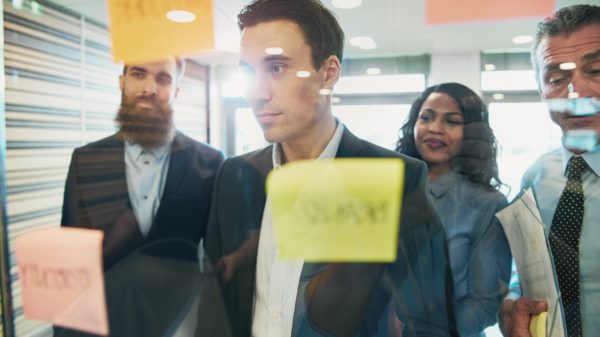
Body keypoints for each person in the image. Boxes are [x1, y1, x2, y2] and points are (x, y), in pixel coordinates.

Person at [196, 1, 458, 336]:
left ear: (329, 72)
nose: (257, 94)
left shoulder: (393, 178)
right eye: (250, 72)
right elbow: (215, 308)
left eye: (276, 68)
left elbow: (430, 324)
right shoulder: (235, 176)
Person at [61, 57, 224, 270]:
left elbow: (218, 259)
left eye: (163, 79)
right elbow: (72, 247)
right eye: (139, 74)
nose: (149, 89)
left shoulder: (210, 162)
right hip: (107, 301)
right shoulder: (85, 161)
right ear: (122, 81)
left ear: (176, 91)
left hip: (183, 302)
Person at [499, 4, 600, 337]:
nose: (577, 93)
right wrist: (514, 302)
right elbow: (526, 270)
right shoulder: (536, 177)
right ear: (542, 90)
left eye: (596, 70)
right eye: (557, 79)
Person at [395, 82, 511, 336]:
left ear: (471, 133)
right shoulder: (388, 189)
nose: (435, 129)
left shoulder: (487, 204)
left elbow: (484, 303)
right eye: (426, 118)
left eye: (452, 121)